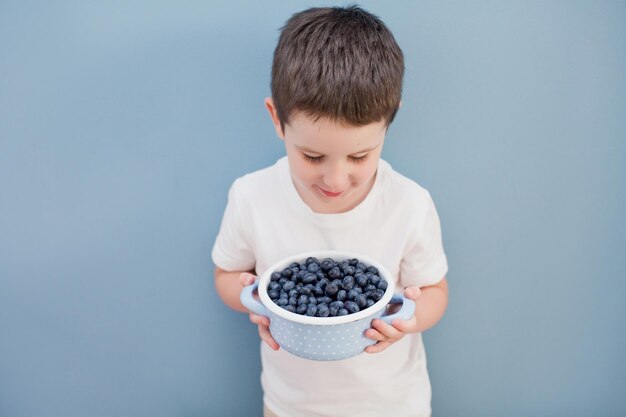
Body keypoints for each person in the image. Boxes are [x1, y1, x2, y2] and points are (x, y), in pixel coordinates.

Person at [212, 5, 449, 417]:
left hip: (393, 406)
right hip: (289, 408)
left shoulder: (409, 204)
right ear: (277, 120)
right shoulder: (252, 197)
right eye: (312, 155)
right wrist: (254, 300)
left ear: (388, 124)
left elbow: (434, 291)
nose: (335, 180)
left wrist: (411, 319)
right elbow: (227, 276)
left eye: (359, 156)